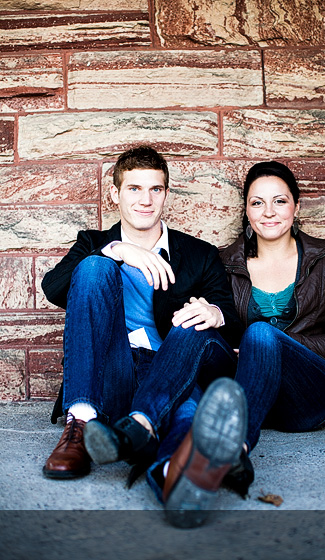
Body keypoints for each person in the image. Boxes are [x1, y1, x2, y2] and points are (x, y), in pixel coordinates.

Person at [143, 160, 325, 514]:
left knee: (261, 333)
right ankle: (218, 456)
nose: (268, 212)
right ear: (246, 210)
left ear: (297, 206)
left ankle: (231, 443)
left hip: (307, 395)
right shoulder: (223, 261)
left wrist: (277, 345)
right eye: (257, 203)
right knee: (198, 329)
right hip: (245, 390)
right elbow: (215, 326)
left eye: (280, 201)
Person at [40, 146, 244, 492]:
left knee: (187, 412)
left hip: (168, 367)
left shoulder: (199, 254)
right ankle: (80, 424)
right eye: (134, 188)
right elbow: (53, 288)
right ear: (115, 193)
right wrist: (116, 250)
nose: (145, 200)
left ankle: (173, 476)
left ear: (166, 194)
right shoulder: (94, 243)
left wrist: (215, 312)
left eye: (155, 189)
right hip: (111, 369)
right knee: (93, 267)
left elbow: (235, 324)